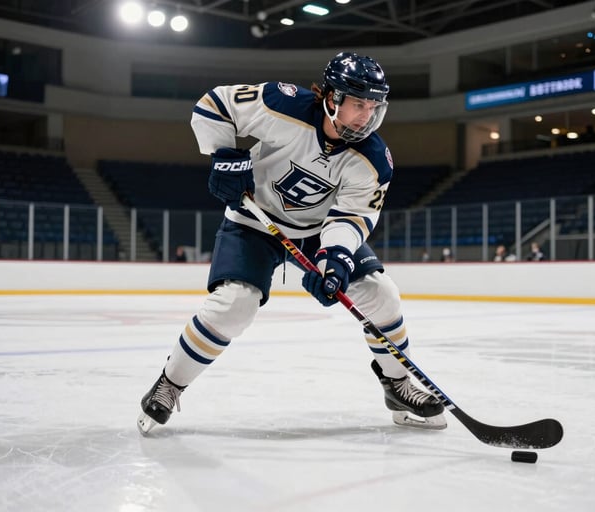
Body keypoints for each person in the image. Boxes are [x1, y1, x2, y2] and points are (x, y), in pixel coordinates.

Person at [137, 52, 446, 435]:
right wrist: (223, 156)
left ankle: (397, 385)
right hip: (253, 221)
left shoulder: (373, 160)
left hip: (317, 231)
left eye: (373, 106)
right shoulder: (282, 104)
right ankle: (170, 382)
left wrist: (336, 259)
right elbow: (214, 105)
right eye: (357, 105)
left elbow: (352, 216)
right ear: (332, 99)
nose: (366, 116)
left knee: (381, 294)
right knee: (235, 305)